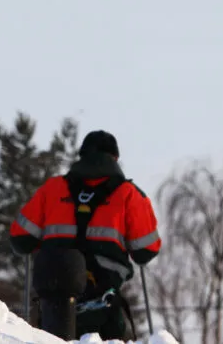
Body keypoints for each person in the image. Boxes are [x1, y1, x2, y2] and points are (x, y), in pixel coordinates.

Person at [9, 130, 161, 340]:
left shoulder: (52, 189)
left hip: (54, 307)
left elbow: (20, 240)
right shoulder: (130, 195)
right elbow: (146, 251)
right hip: (103, 304)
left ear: (81, 156)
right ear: (115, 158)